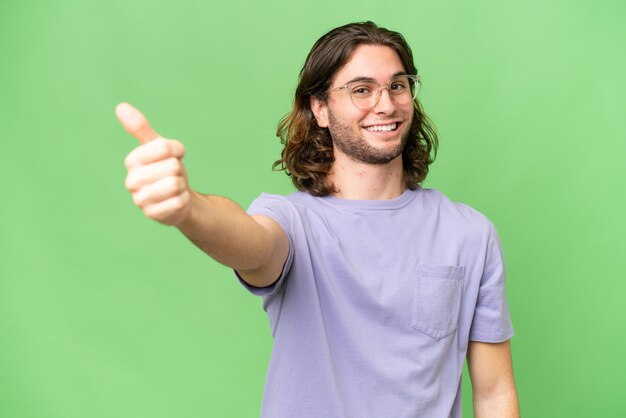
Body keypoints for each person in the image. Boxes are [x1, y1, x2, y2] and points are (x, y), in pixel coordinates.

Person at [116, 21, 520, 418]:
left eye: (398, 85)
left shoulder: (469, 233)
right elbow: (251, 243)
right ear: (321, 108)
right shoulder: (292, 223)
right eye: (361, 90)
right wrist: (188, 208)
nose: (386, 103)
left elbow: (495, 390)